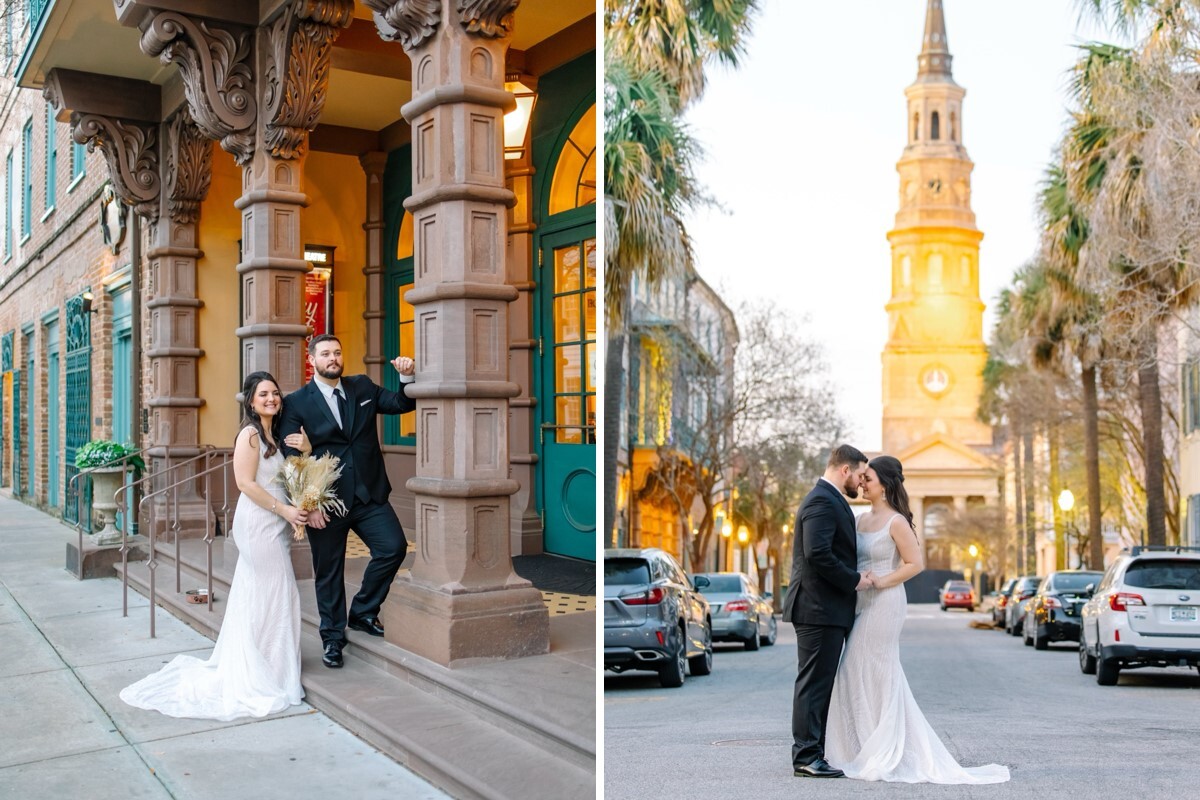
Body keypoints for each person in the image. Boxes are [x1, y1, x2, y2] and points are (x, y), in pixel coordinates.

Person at [120, 372, 311, 720]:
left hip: (276, 525)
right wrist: (284, 509)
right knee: (279, 589)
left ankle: (266, 660)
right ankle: (266, 669)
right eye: (263, 394)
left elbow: (288, 478)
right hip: (258, 524)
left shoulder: (277, 436)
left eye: (275, 393)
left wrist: (307, 452)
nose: (271, 398)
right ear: (251, 402)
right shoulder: (250, 436)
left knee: (263, 592)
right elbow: (244, 483)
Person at [825, 455, 1009, 783]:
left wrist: (881, 581)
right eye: (862, 477)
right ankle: (863, 745)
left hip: (885, 602)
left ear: (885, 484)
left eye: (868, 478)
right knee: (863, 671)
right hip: (861, 601)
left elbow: (915, 563)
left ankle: (880, 748)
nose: (862, 483)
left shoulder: (896, 521)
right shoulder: (860, 519)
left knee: (864, 666)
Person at [279, 334, 415, 669]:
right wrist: (308, 508)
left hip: (370, 494)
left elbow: (401, 404)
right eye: (325, 353)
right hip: (326, 503)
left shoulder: (363, 388)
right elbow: (290, 459)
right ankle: (332, 638)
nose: (333, 358)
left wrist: (407, 377)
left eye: (337, 352)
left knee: (393, 548)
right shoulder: (296, 402)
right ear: (312, 360)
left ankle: (364, 612)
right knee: (329, 572)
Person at [783, 444, 873, 779]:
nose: (861, 483)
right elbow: (817, 553)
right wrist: (854, 581)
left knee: (819, 683)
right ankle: (806, 757)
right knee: (813, 684)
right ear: (845, 470)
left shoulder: (829, 499)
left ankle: (813, 753)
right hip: (817, 609)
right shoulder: (822, 499)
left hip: (825, 610)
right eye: (860, 475)